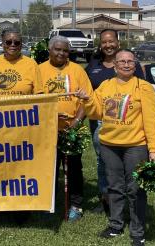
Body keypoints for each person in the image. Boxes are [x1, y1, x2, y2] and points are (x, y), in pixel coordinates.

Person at [76, 49, 155, 246]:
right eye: (121, 61)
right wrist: (87, 100)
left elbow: (151, 120)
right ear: (114, 65)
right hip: (109, 145)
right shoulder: (105, 86)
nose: (125, 64)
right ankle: (115, 225)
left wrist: (154, 149)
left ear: (135, 65)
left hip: (136, 146)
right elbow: (97, 113)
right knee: (114, 187)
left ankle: (138, 231)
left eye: (130, 61)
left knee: (135, 189)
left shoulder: (144, 87)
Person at [85, 29, 145, 215]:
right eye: (104, 42)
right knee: (102, 163)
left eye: (112, 41)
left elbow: (142, 95)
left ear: (118, 42)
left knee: (128, 166)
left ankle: (129, 201)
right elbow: (89, 96)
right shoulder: (93, 65)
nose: (108, 45)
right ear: (100, 44)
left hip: (128, 124)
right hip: (100, 124)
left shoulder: (129, 64)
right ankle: (106, 199)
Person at [39, 35, 93, 222]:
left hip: (71, 129)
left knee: (74, 169)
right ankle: (48, 205)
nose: (61, 53)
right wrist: (50, 117)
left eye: (65, 50)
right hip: (47, 129)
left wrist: (75, 123)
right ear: (50, 50)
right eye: (58, 49)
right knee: (48, 168)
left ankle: (76, 206)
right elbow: (35, 101)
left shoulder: (77, 70)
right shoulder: (39, 70)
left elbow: (87, 101)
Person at [0, 29, 42, 96]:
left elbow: (39, 94)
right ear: (3, 44)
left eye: (17, 42)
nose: (13, 45)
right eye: (8, 42)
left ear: (21, 45)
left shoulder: (31, 64)